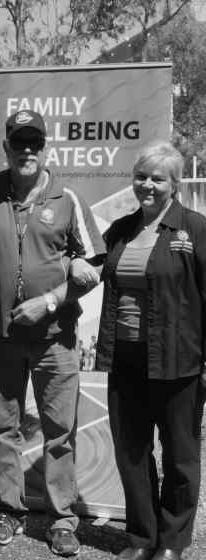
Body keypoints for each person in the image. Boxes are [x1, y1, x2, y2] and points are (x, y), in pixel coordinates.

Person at [0, 109, 103, 556]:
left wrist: (55, 295)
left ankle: (61, 520)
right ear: (6, 148)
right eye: (19, 143)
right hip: (0, 336)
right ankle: (8, 511)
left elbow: (94, 262)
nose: (27, 151)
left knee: (59, 431)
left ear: (45, 146)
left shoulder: (67, 197)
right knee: (2, 429)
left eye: (35, 142)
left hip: (55, 336)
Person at [95, 141, 206, 560]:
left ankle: (173, 542)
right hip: (125, 360)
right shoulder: (120, 229)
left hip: (179, 361)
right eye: (141, 176)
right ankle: (142, 539)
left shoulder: (193, 229)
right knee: (132, 452)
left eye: (158, 178)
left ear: (174, 184)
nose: (148, 185)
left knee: (180, 456)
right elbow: (93, 265)